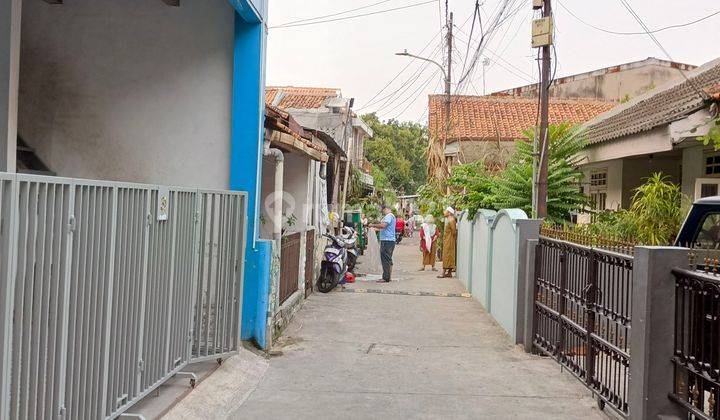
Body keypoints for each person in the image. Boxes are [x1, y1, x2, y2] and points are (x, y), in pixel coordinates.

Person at [369, 205, 396, 283]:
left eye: (383, 210)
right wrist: (375, 229)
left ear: (386, 209)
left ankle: (385, 277)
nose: (382, 212)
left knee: (385, 259)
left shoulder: (388, 216)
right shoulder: (392, 216)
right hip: (389, 240)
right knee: (388, 259)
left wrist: (373, 225)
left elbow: (383, 226)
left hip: (387, 240)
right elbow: (385, 228)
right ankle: (388, 276)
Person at [438, 207, 457, 278]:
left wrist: (451, 239)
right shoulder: (448, 220)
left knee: (447, 255)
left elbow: (454, 232)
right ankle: (449, 272)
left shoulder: (451, 220)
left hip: (449, 240)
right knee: (449, 255)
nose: (444, 212)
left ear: (449, 212)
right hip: (447, 240)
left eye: (445, 211)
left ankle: (443, 272)